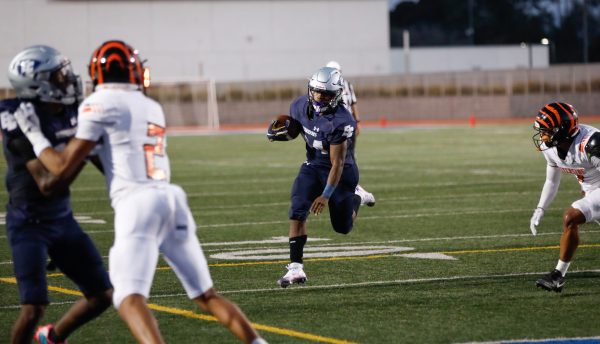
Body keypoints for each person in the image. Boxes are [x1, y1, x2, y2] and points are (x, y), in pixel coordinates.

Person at [14, 40, 267, 344]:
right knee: (206, 295)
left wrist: (34, 134)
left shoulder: (98, 103)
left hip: (137, 204)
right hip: (172, 199)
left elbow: (61, 167)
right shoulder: (152, 107)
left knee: (128, 298)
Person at [1, 45, 113, 344]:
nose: (68, 79)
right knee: (33, 308)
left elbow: (102, 160)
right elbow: (49, 184)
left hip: (62, 219)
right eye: (59, 75)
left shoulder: (71, 110)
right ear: (38, 82)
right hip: (29, 223)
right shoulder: (18, 117)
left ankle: (52, 338)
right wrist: (85, 147)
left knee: (102, 295)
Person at [267, 66, 366, 288]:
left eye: (327, 93)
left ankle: (357, 196)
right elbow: (296, 128)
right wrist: (283, 133)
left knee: (343, 227)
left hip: (340, 172)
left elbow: (337, 163)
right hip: (313, 165)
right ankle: (295, 268)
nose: (320, 97)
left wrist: (326, 195)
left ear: (338, 94)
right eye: (317, 91)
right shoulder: (299, 105)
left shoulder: (342, 120)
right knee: (297, 208)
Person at [530, 102, 599, 293]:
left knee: (571, 216)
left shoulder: (591, 144)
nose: (542, 136)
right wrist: (540, 208)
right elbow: (551, 181)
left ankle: (557, 275)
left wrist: (590, 199)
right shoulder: (550, 147)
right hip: (593, 192)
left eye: (547, 131)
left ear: (562, 130)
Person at [325, 60, 375, 207]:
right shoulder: (326, 87)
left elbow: (353, 103)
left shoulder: (346, 85)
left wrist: (357, 121)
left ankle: (356, 189)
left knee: (347, 158)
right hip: (331, 127)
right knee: (332, 159)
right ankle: (350, 188)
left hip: (345, 127)